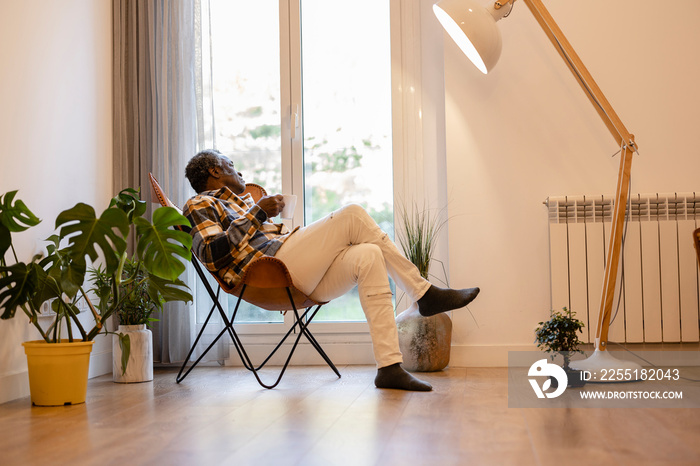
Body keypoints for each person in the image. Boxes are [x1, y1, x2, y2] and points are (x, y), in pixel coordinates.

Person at [183, 149, 480, 391]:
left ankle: (389, 367)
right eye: (232, 165)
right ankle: (424, 293)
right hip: (273, 274)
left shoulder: (243, 203)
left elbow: (254, 237)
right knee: (352, 213)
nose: (241, 172)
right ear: (215, 172)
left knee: (369, 254)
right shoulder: (200, 203)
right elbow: (212, 253)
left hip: (294, 270)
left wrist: (268, 218)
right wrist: (258, 211)